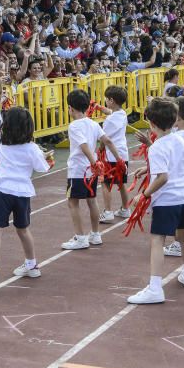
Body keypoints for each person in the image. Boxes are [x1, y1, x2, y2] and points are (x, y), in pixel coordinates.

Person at [127, 97, 184, 305]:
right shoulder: (181, 139)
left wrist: (144, 195)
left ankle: (155, 288)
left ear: (151, 123)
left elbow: (163, 177)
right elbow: (176, 165)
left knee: (158, 240)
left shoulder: (156, 147)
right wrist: (149, 168)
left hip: (167, 200)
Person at [0, 107, 53, 286]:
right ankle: (32, 265)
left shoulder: (3, 146)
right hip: (22, 192)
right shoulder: (32, 148)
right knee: (23, 229)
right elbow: (42, 168)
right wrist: (46, 158)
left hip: (2, 190)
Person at [61, 88, 121, 251]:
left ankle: (80, 238)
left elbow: (83, 146)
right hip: (91, 172)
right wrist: (119, 158)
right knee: (92, 201)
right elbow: (107, 140)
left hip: (78, 170)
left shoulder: (74, 126)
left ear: (70, 108)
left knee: (72, 203)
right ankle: (95, 234)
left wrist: (94, 162)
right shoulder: (93, 124)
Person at [96, 85, 130, 224]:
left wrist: (100, 149)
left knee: (106, 183)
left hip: (111, 155)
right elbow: (112, 112)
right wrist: (101, 108)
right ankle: (125, 208)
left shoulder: (109, 120)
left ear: (111, 100)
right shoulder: (122, 113)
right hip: (123, 153)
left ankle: (108, 211)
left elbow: (105, 139)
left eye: (106, 99)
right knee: (121, 183)